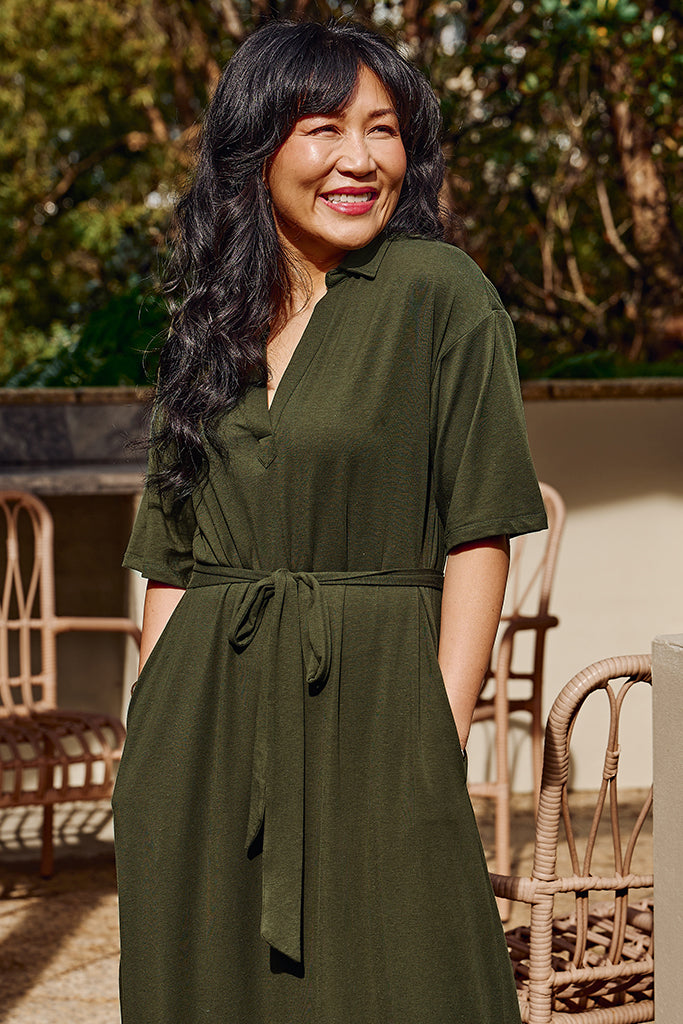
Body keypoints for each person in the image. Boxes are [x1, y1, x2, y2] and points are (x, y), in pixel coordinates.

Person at [113, 18, 547, 1024]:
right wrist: (153, 746)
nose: (359, 159)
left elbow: (477, 533)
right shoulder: (205, 323)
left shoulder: (439, 295)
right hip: (199, 728)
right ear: (257, 150)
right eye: (323, 128)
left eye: (383, 129)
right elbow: (170, 558)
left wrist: (432, 728)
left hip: (377, 708)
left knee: (405, 981)